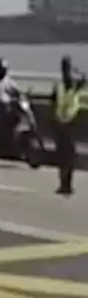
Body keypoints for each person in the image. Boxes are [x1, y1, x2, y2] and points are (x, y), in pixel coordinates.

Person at [51, 56, 88, 197]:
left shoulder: (73, 84)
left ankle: (68, 185)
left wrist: (77, 71)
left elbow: (84, 79)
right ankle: (63, 184)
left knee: (68, 156)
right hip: (61, 123)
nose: (65, 70)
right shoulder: (60, 85)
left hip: (71, 122)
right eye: (64, 67)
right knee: (62, 156)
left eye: (67, 67)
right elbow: (53, 102)